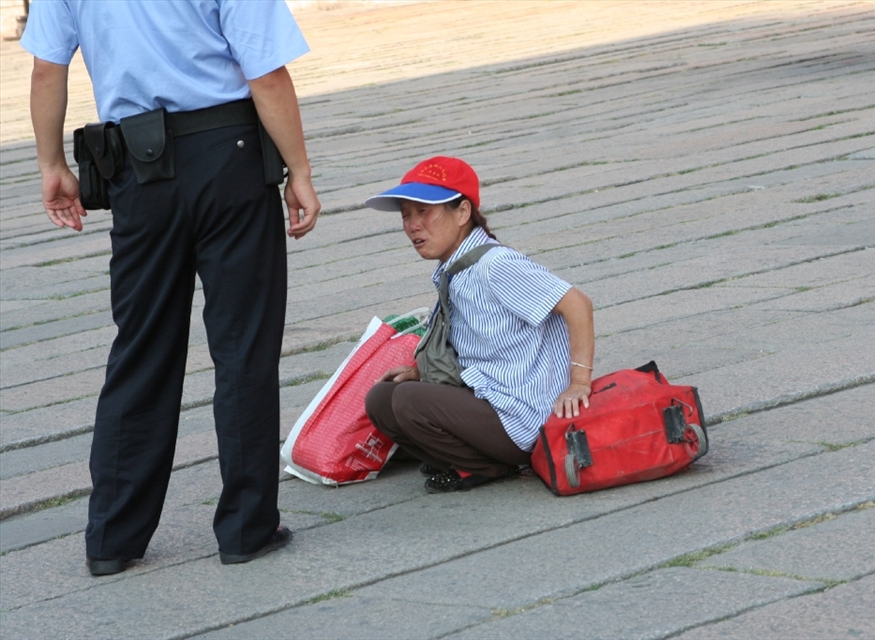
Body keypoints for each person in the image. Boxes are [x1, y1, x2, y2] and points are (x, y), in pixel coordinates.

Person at [21, 0, 321, 575]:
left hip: (136, 168)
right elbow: (266, 73)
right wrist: (299, 171)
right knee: (243, 349)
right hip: (229, 159)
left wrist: (51, 163)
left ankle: (112, 538)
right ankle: (245, 528)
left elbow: (45, 68)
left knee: (141, 350)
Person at [364, 156, 595, 493]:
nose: (413, 226)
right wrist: (421, 372)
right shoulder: (454, 269)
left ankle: (488, 465)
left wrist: (578, 382)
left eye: (424, 212)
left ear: (462, 212)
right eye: (406, 216)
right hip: (488, 397)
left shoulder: (495, 265)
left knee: (408, 402)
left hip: (525, 418)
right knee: (382, 399)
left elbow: (578, 304)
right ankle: (468, 458)